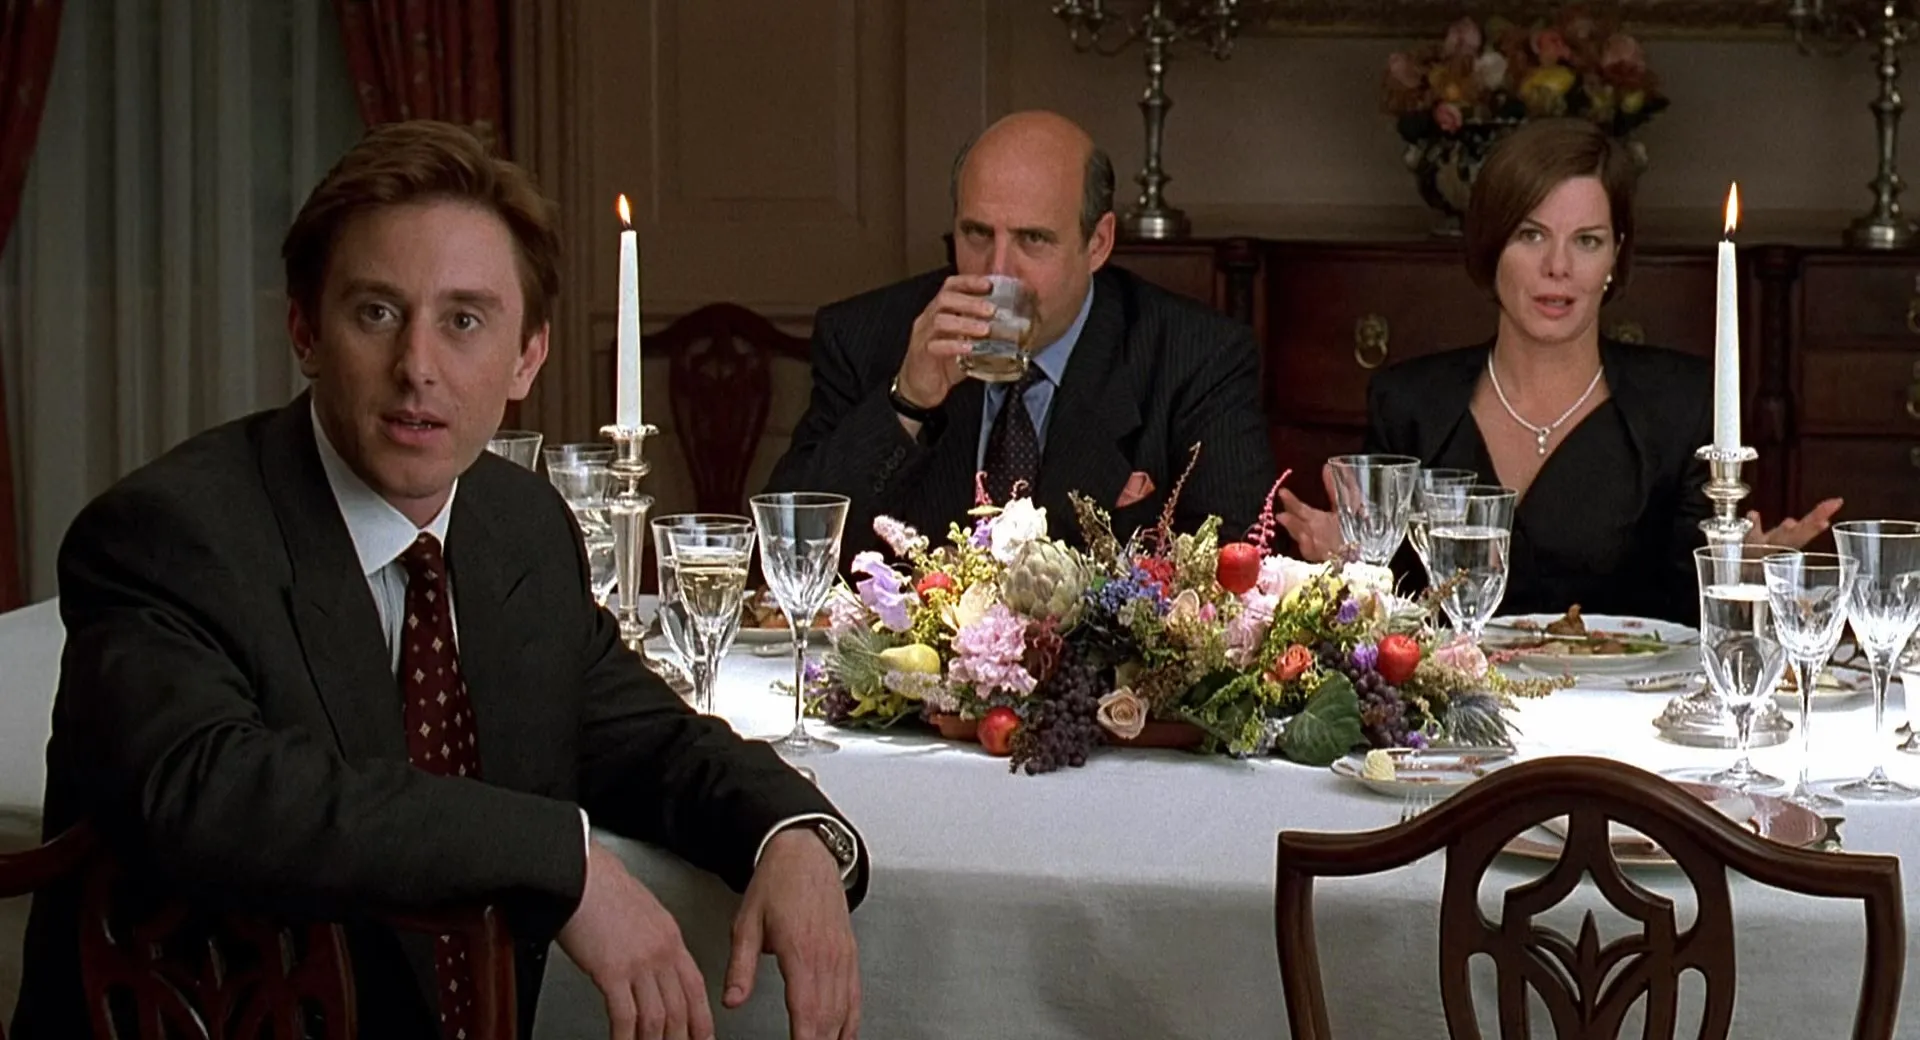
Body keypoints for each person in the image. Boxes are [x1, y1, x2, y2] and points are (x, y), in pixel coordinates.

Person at [14, 121, 866, 1040]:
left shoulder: (519, 525)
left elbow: (645, 740)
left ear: (527, 358)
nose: (417, 367)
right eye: (377, 313)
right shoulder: (169, 533)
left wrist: (791, 833)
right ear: (305, 331)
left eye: (464, 320)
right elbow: (208, 790)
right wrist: (560, 860)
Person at [1276, 118, 1840, 625]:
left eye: (1587, 241)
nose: (1558, 267)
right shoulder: (1409, 403)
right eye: (1531, 235)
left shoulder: (1681, 404)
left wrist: (1739, 576)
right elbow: (1396, 610)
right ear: (1490, 247)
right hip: (1455, 705)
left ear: (1615, 256)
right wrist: (1348, 568)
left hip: (1629, 705)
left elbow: (1688, 616)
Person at [765, 110, 1275, 559]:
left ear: (1098, 243)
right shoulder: (863, 337)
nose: (998, 272)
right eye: (976, 234)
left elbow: (1235, 572)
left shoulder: (1198, 357)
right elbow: (787, 551)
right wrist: (907, 404)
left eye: (1033, 239)